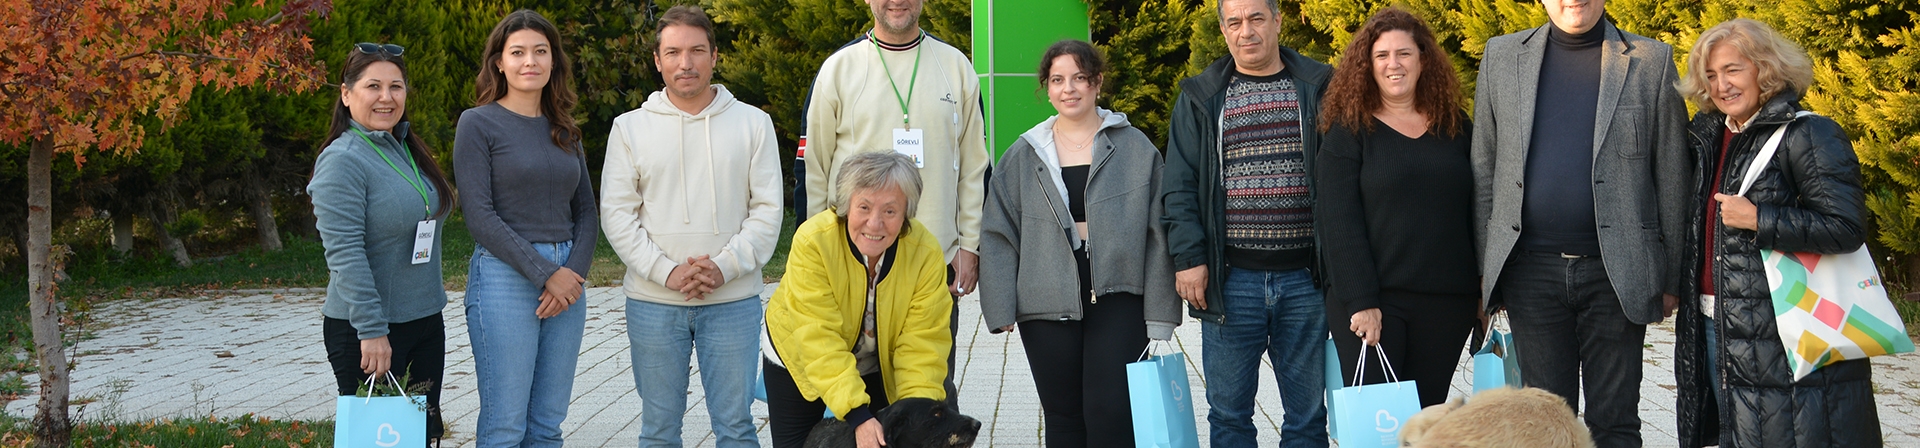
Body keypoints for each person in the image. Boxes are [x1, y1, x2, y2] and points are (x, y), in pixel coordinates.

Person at [1470, 0, 1691, 446]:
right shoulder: (1501, 55)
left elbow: (1672, 173)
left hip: (1617, 273)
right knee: (1548, 427)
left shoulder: (1651, 60)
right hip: (1530, 274)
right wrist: (1485, 271)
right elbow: (1484, 168)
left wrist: (1671, 276)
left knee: (1615, 422)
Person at [1673, 18, 1880, 448]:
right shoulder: (1708, 137)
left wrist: (1760, 219)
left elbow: (1846, 227)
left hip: (1786, 330)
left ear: (1764, 68)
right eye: (1711, 75)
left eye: (1733, 70)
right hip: (1713, 323)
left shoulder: (1810, 133)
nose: (1721, 85)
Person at [978, 39, 1181, 448]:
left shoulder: (1135, 148)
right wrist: (999, 306)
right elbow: (998, 234)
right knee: (1064, 416)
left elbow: (1159, 234)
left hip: (1120, 296)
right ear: (1047, 88)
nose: (1068, 89)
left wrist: (1162, 312)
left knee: (1112, 412)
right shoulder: (1023, 154)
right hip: (1045, 300)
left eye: (1079, 78)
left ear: (1097, 83)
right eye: (1057, 80)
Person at [600, 5, 782, 447]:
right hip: (654, 303)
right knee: (659, 431)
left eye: (697, 50)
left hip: (732, 300)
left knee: (736, 427)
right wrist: (668, 272)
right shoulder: (629, 129)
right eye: (673, 52)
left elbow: (767, 210)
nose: (686, 63)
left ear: (714, 56)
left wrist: (723, 267)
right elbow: (617, 215)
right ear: (657, 60)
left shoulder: (754, 124)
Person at [1160, 0, 1333, 444]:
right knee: (1229, 417)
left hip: (1306, 281)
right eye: (1234, 22)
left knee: (1308, 418)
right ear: (1223, 30)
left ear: (1277, 21)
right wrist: (1189, 258)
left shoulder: (1319, 87)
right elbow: (1179, 185)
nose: (1246, 31)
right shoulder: (1200, 97)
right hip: (1230, 282)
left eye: (1256, 18)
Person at [801, 0, 989, 407]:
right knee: (848, 398)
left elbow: (975, 166)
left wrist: (969, 245)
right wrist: (818, 255)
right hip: (852, 265)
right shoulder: (840, 68)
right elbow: (814, 167)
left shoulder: (955, 67)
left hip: (932, 263)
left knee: (928, 398)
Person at [1315, 7, 1475, 409]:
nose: (1394, 64)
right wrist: (1361, 301)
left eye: (1404, 53)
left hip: (1447, 305)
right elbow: (1338, 222)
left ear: (1423, 60)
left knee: (1425, 422)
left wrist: (1484, 291)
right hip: (1375, 304)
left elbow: (1477, 209)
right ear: (1367, 65)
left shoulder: (1456, 127)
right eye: (1382, 55)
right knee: (1379, 425)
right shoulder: (1348, 132)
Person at [453, 9, 596, 447]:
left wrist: (571, 276)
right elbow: (480, 216)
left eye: (540, 51)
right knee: (506, 425)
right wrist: (545, 274)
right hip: (505, 277)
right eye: (517, 52)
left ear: (554, 61)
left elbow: (587, 212)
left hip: (567, 281)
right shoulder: (477, 123)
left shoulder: (566, 130)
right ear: (499, 62)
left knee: (547, 426)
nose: (529, 61)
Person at [309, 42, 454, 441]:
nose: (386, 98)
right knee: (381, 440)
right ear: (346, 94)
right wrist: (372, 331)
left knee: (421, 437)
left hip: (424, 321)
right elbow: (344, 254)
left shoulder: (405, 147)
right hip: (371, 329)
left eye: (396, 87)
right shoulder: (343, 159)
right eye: (373, 86)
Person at [763, 151, 953, 448]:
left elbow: (923, 345)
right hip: (799, 356)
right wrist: (857, 415)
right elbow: (818, 337)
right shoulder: (814, 242)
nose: (875, 223)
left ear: (906, 213)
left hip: (876, 361)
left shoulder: (925, 253)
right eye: (864, 207)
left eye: (890, 211)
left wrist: (916, 415)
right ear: (845, 206)